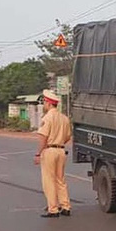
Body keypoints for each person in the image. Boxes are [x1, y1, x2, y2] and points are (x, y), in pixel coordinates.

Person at [34, 89, 72, 218]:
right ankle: (65, 206)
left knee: (49, 180)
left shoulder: (47, 118)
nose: (44, 105)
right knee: (60, 180)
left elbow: (43, 137)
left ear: (48, 103)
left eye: (44, 102)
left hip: (49, 150)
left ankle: (53, 209)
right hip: (61, 150)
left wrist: (38, 153)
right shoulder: (64, 118)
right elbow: (68, 136)